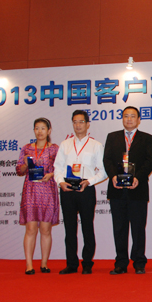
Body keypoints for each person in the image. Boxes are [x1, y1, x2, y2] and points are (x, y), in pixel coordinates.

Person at [103, 106, 152, 275]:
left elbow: (150, 161)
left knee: (138, 228)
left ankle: (139, 262)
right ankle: (121, 263)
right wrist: (113, 176)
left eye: (133, 116)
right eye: (126, 116)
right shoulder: (112, 137)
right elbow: (107, 160)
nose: (129, 119)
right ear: (122, 119)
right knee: (119, 227)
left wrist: (137, 177)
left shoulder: (147, 138)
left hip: (137, 189)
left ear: (139, 120)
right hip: (117, 189)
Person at [53, 110, 107, 275]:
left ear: (88, 124)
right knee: (69, 228)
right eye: (75, 122)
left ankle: (87, 263)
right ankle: (71, 264)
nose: (78, 125)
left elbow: (103, 171)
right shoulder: (65, 144)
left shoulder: (96, 145)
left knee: (87, 227)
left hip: (86, 188)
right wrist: (60, 182)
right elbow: (57, 167)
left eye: (81, 122)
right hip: (67, 188)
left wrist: (89, 181)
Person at [15, 118, 59, 275]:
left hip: (48, 190)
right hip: (31, 191)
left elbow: (60, 169)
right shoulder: (26, 148)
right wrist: (25, 165)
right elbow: (19, 170)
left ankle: (44, 264)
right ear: (34, 130)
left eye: (43, 128)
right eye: (37, 128)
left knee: (46, 230)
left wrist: (51, 174)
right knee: (31, 228)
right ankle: (29, 265)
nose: (40, 131)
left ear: (49, 130)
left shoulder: (54, 149)